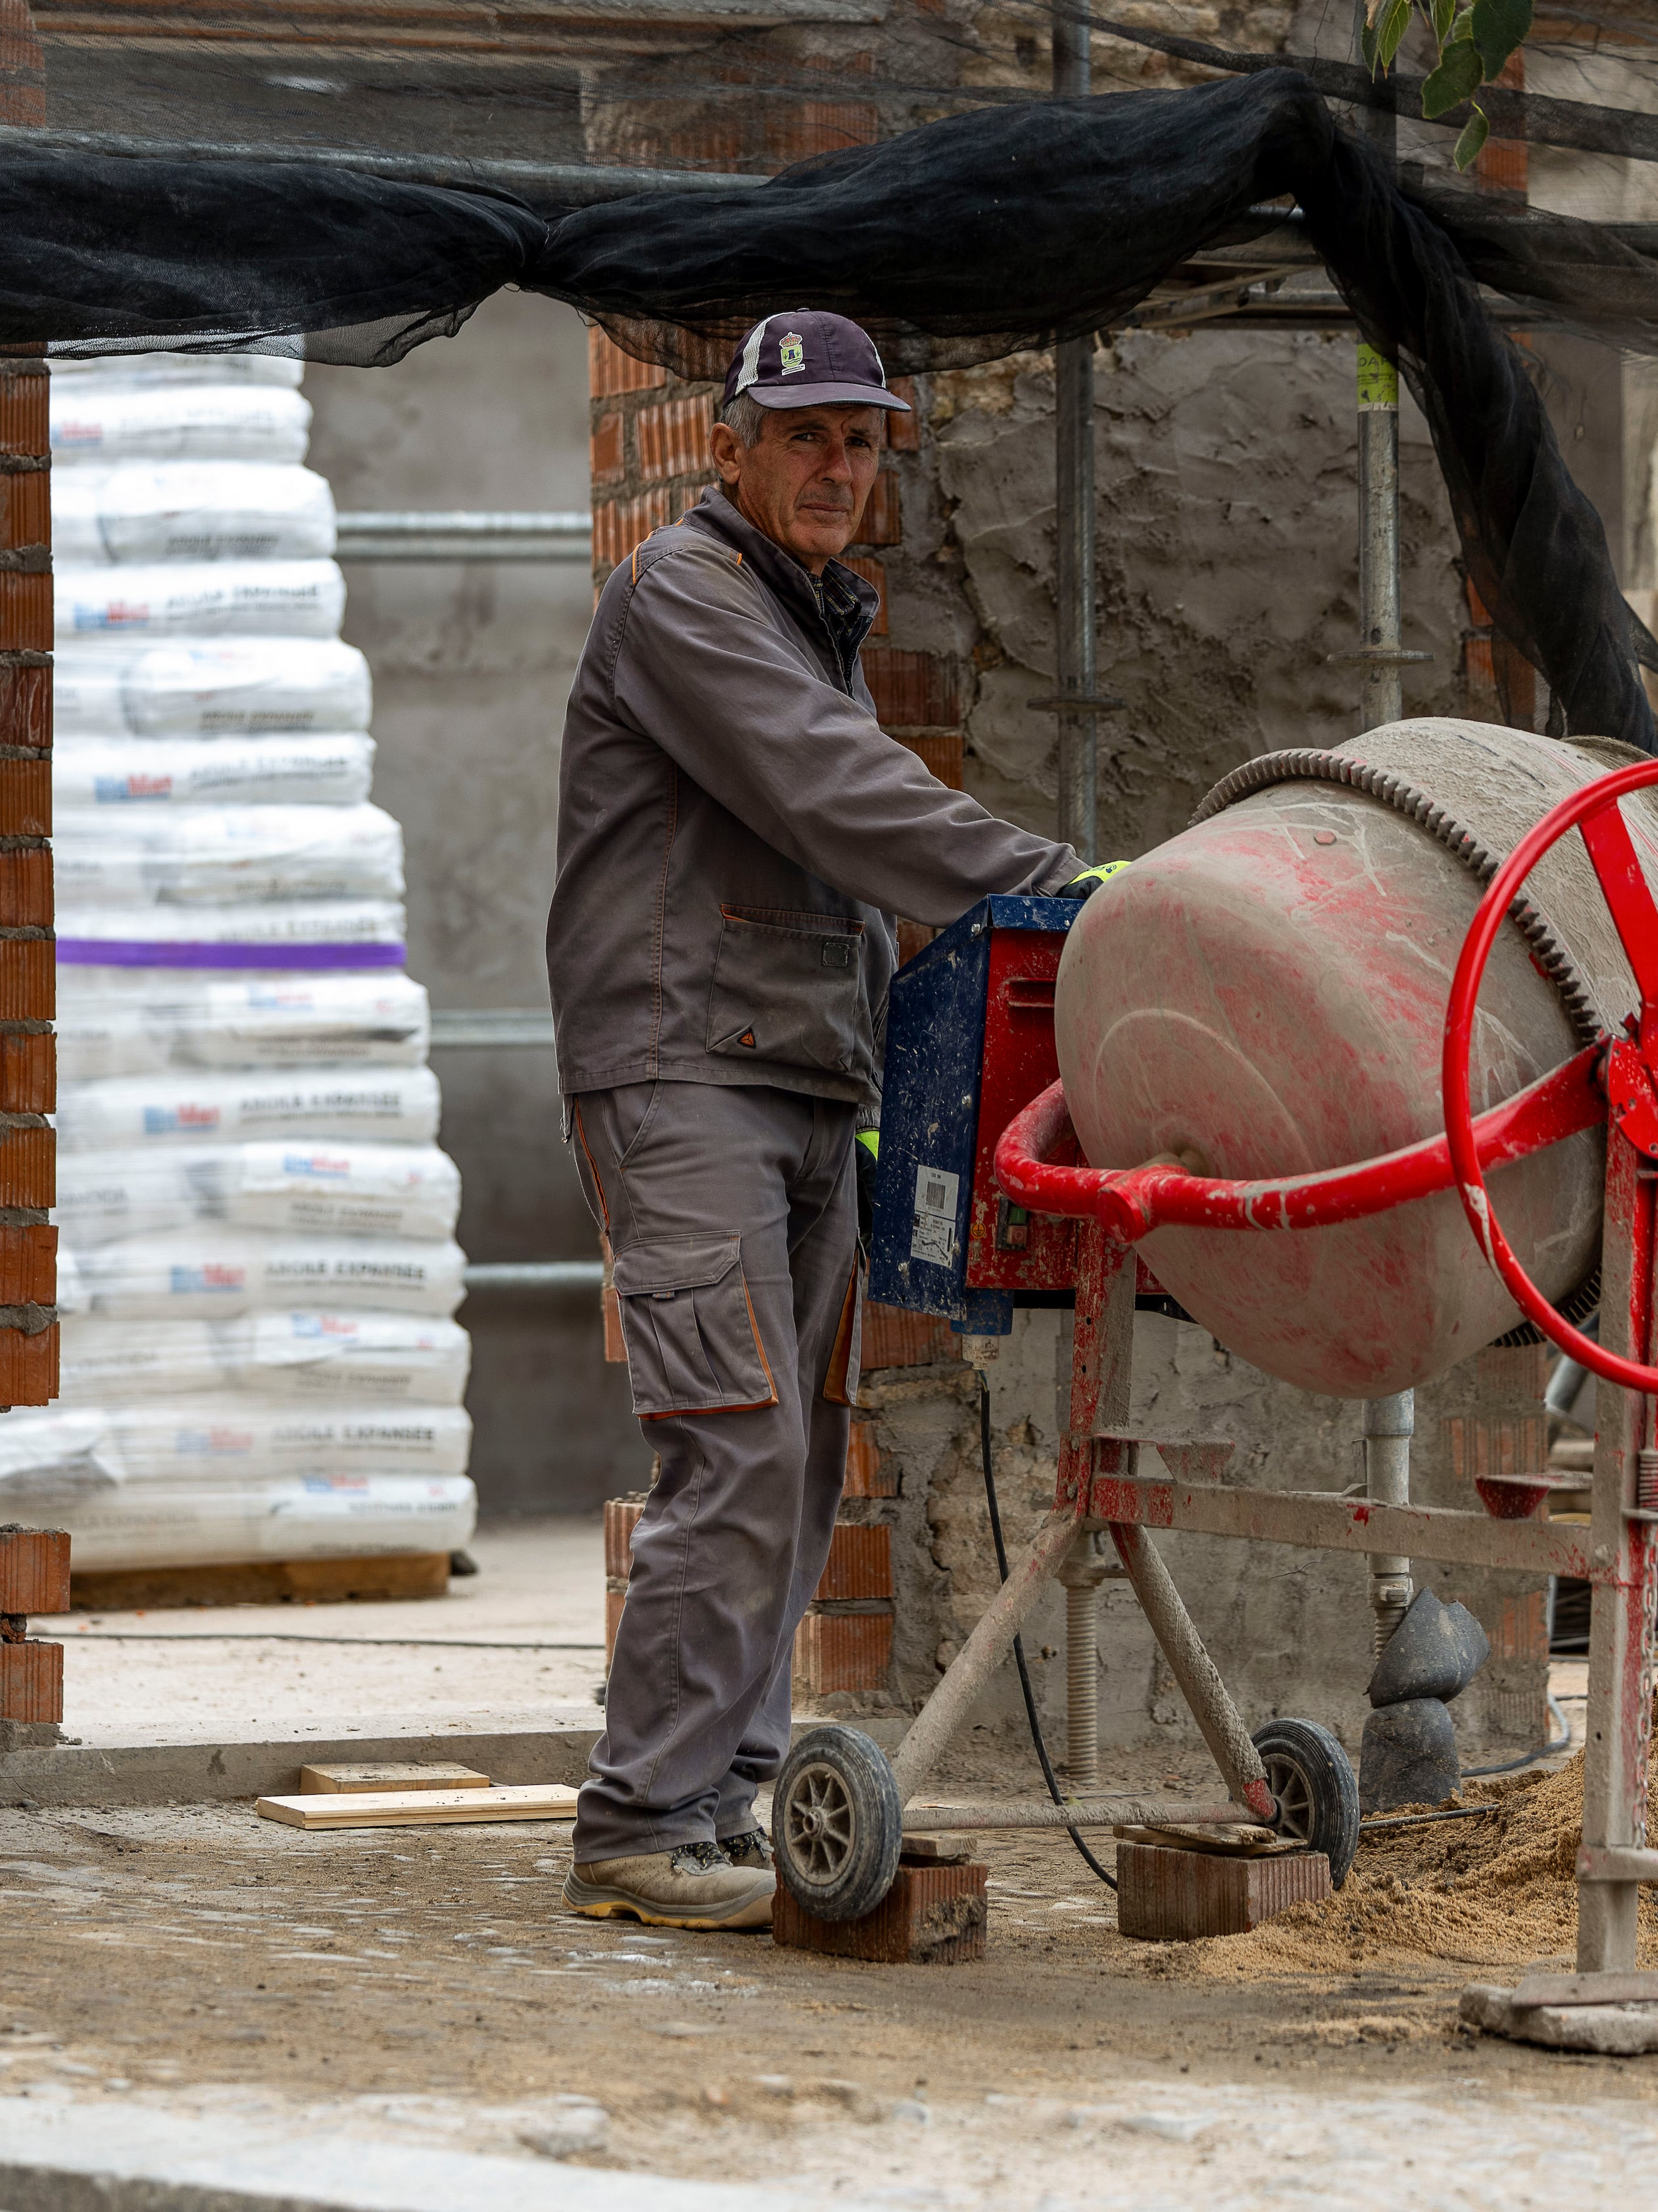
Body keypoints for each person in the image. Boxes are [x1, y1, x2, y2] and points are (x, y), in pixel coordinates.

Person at [548, 310, 1094, 1930]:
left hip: (796, 1072)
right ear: (731, 448)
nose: (835, 467)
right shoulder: (689, 594)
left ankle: (724, 1798)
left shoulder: (804, 614)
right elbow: (827, 790)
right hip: (682, 1063)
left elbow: (824, 831)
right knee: (736, 1440)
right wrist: (1054, 886)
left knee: (793, 1468)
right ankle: (636, 1824)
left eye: (859, 442)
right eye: (803, 437)